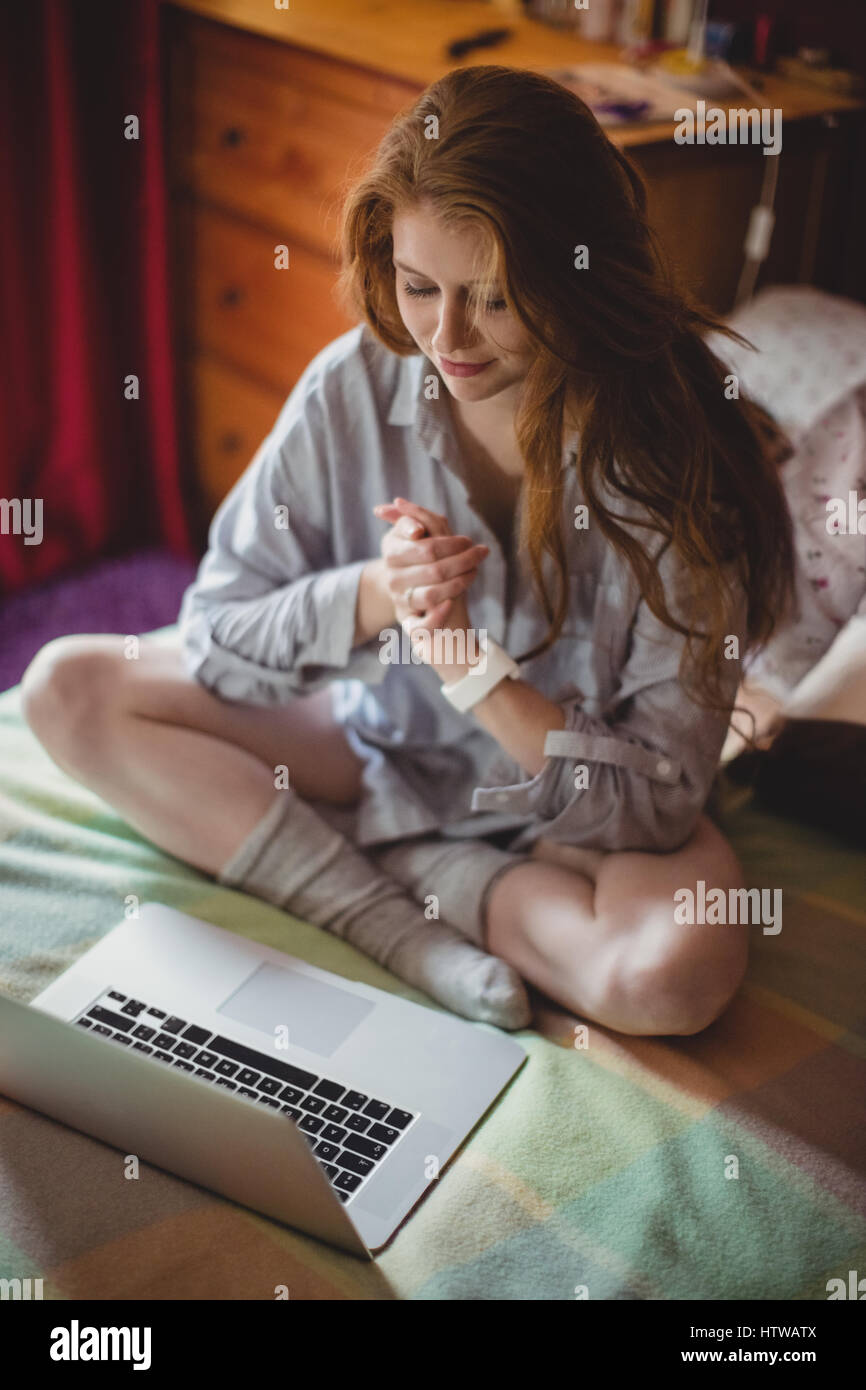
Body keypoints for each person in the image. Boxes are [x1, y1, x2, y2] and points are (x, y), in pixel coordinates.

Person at [21, 66, 798, 1037]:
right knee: (68, 686)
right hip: (375, 750)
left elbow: (656, 808)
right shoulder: (352, 384)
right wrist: (373, 595)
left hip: (575, 815)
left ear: (576, 278)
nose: (445, 335)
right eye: (417, 284)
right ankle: (396, 926)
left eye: (494, 299)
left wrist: (473, 673)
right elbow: (215, 634)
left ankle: (415, 866)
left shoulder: (681, 470)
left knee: (668, 975)